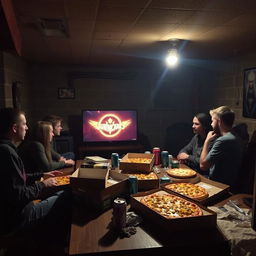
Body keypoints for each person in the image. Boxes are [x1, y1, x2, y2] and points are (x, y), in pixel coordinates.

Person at [0, 108, 72, 241]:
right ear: (15, 128)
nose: (27, 128)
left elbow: (20, 177)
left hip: (14, 212)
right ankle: (55, 242)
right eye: (24, 124)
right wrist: (42, 184)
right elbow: (19, 195)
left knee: (59, 193)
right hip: (17, 219)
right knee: (67, 195)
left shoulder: (7, 148)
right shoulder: (6, 152)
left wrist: (42, 174)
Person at [200, 106, 244, 188]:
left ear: (219, 121)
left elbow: (203, 166)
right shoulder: (236, 136)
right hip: (229, 183)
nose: (211, 124)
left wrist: (206, 141)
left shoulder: (223, 141)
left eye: (212, 121)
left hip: (219, 185)